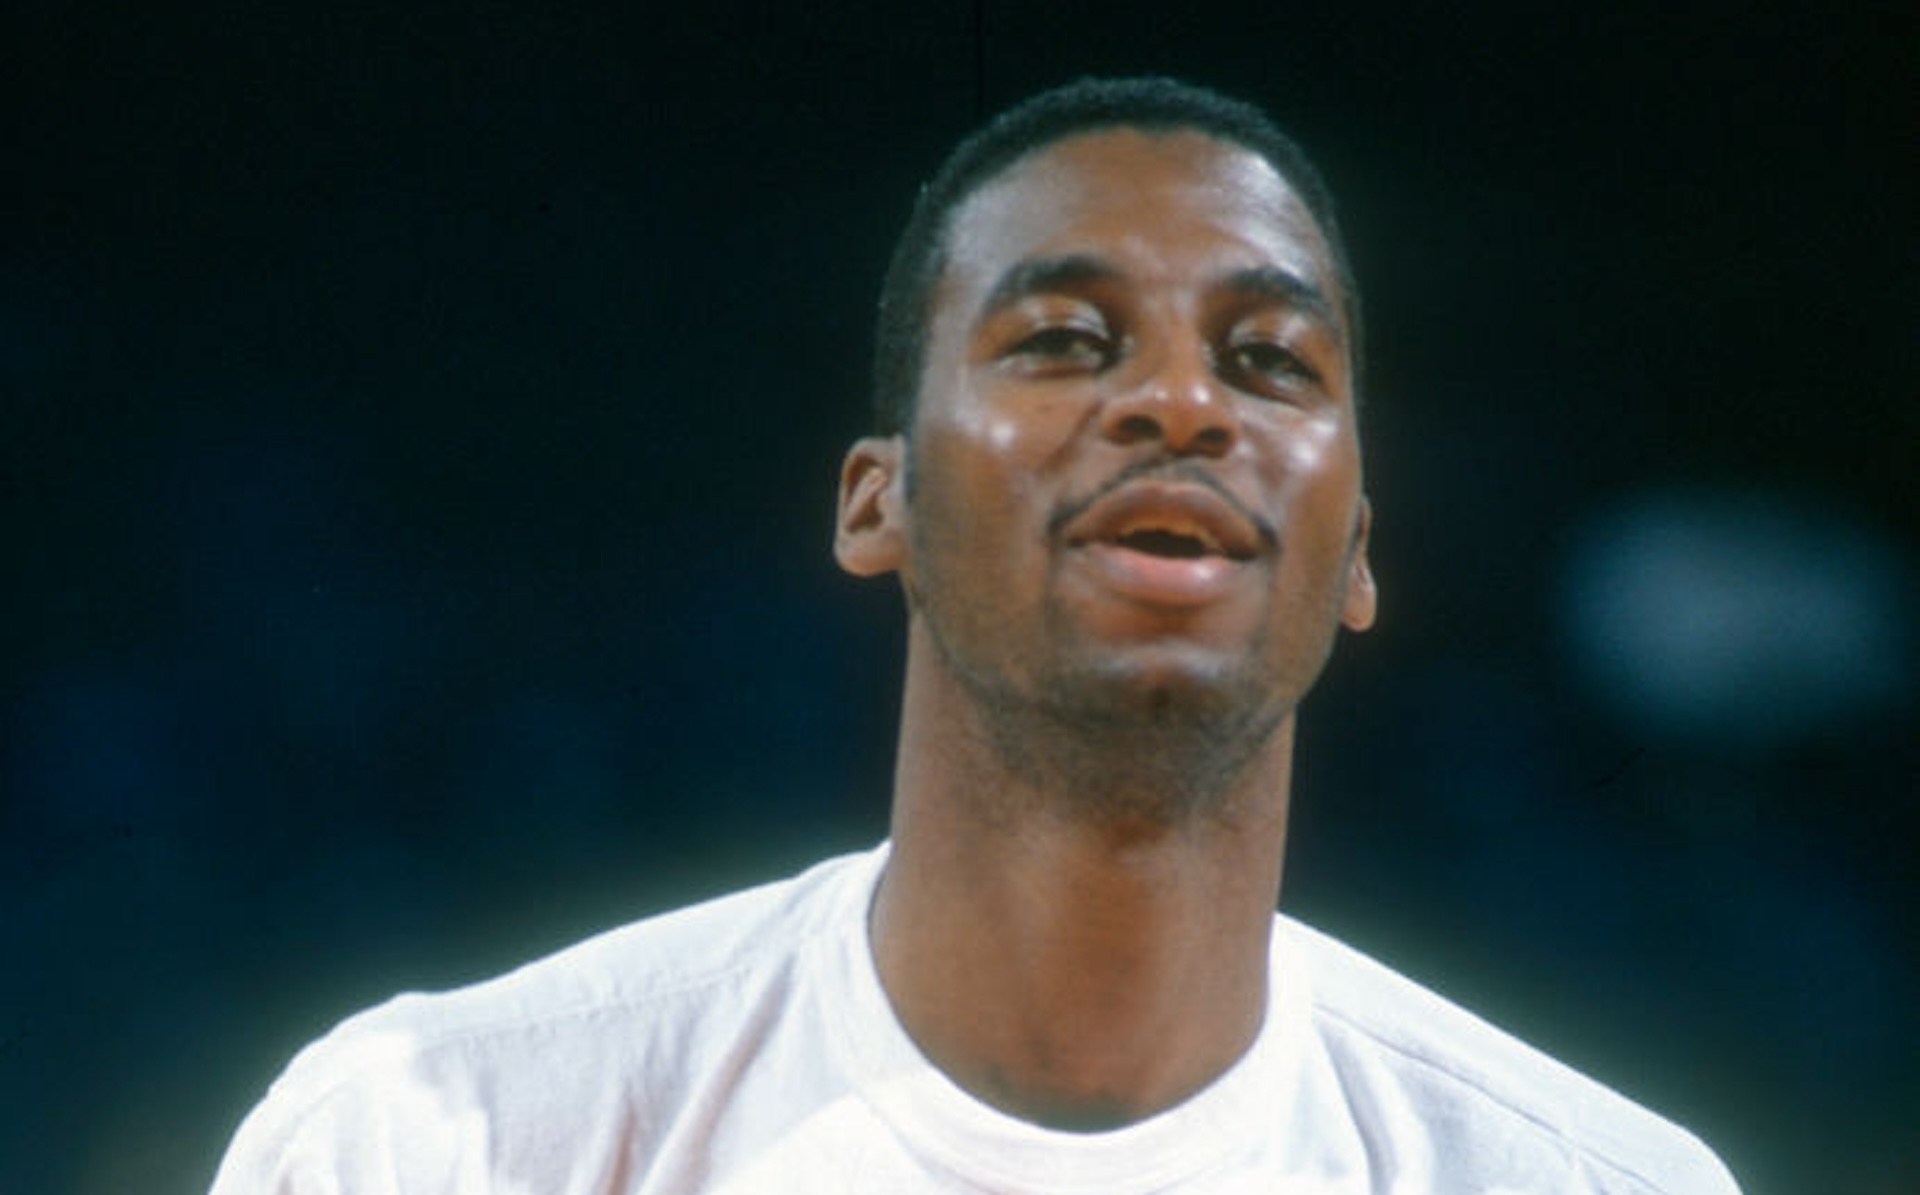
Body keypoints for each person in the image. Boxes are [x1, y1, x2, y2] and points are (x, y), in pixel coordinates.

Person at [211, 77, 1741, 1194]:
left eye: (1267, 360)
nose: (1182, 404)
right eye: (1065, 341)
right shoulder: (435, 1143)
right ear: (879, 503)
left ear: (1357, 547)